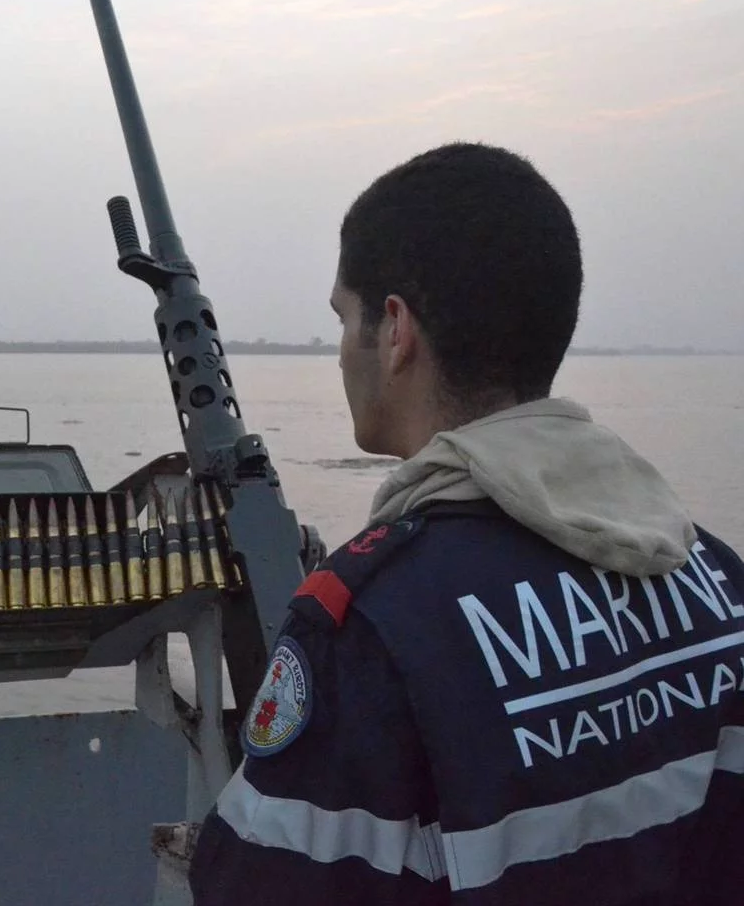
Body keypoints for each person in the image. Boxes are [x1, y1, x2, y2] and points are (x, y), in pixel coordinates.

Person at [188, 142, 744, 905]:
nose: (340, 351)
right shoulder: (715, 581)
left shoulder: (372, 628)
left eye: (342, 320)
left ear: (394, 332)